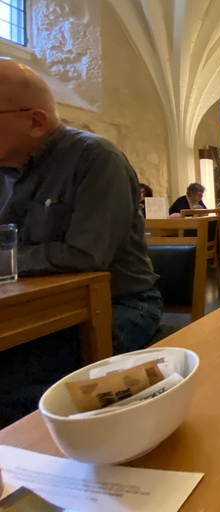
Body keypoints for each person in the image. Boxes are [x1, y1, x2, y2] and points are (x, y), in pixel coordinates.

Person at [0, 59, 162, 424]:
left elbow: (86, 255)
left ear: (35, 121)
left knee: (11, 381)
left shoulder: (96, 159)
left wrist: (7, 262)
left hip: (119, 304)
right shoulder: (5, 173)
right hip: (33, 309)